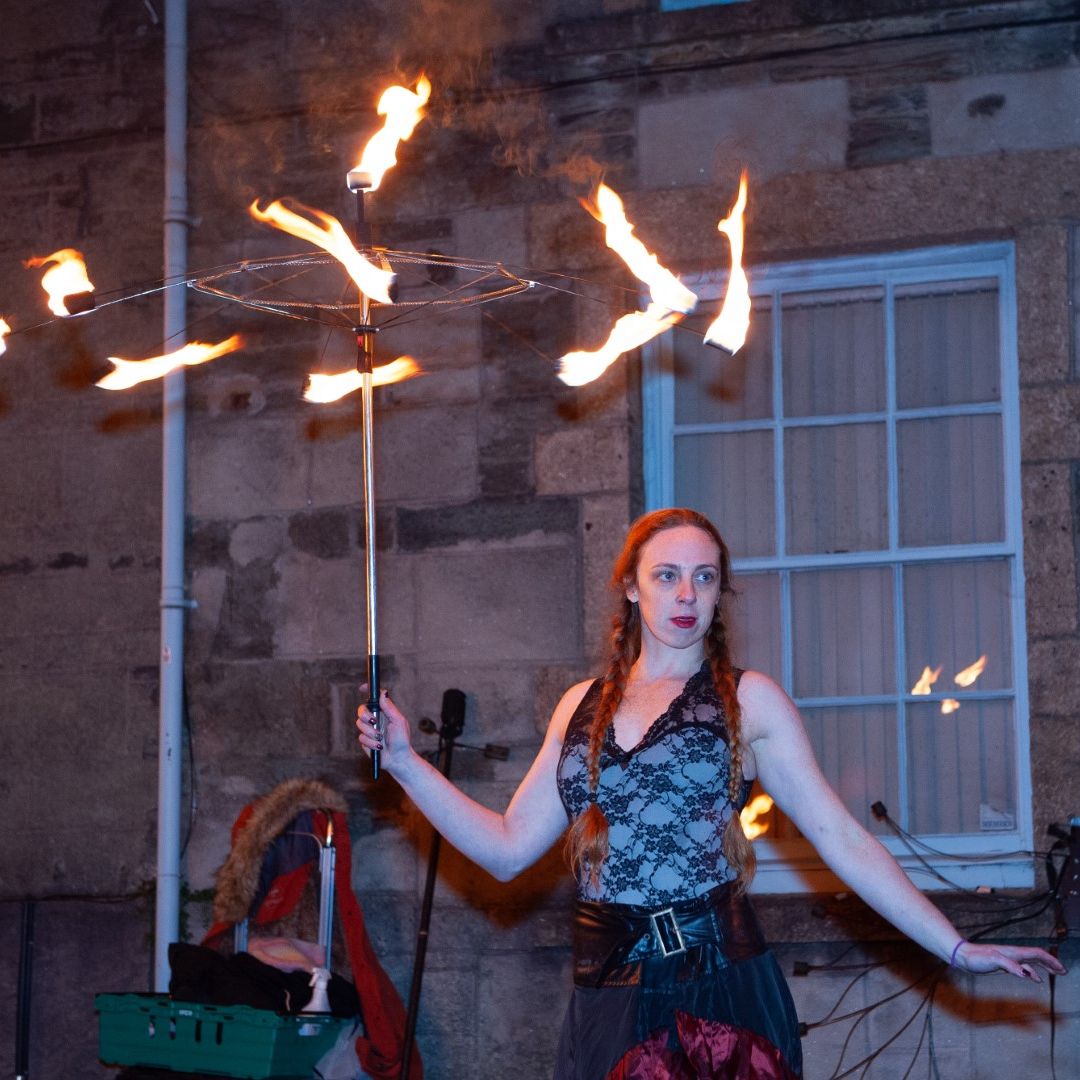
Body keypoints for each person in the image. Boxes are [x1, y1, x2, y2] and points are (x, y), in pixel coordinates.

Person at [356, 507, 1065, 1078]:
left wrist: (955, 946)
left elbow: (841, 837)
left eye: (704, 577)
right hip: (608, 989)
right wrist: (407, 761)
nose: (686, 594)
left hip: (719, 989)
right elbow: (507, 851)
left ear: (721, 591)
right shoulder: (580, 704)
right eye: (666, 576)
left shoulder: (745, 700)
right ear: (631, 586)